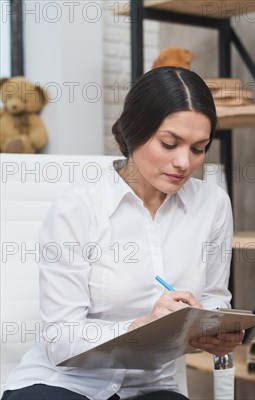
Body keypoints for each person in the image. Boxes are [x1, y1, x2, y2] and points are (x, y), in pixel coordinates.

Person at [2, 67, 242, 400]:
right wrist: (140, 328)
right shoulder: (77, 210)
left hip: (150, 386)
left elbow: (216, 295)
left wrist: (218, 329)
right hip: (64, 382)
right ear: (134, 132)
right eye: (169, 144)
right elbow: (60, 339)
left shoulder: (213, 204)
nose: (183, 162)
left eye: (199, 149)